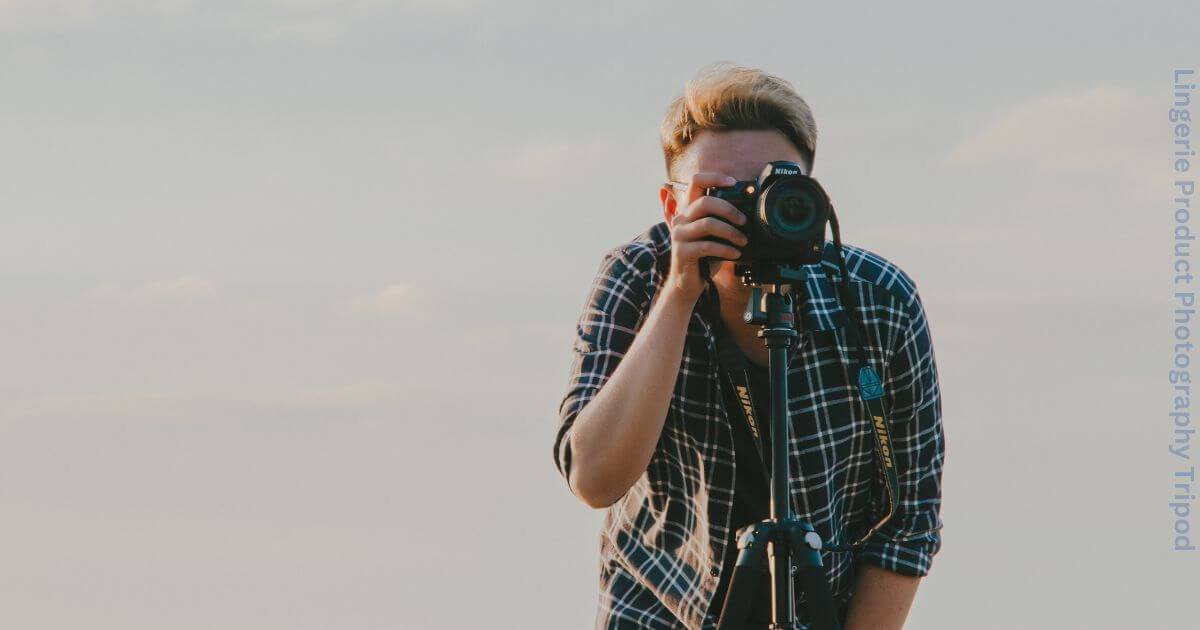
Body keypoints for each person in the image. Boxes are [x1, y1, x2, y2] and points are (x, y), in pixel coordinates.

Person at [552, 63, 945, 630]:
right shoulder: (639, 278)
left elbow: (907, 524)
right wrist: (681, 291)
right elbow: (593, 478)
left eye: (771, 187)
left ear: (809, 196)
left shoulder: (880, 302)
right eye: (720, 193)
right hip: (662, 610)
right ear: (671, 206)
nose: (747, 211)